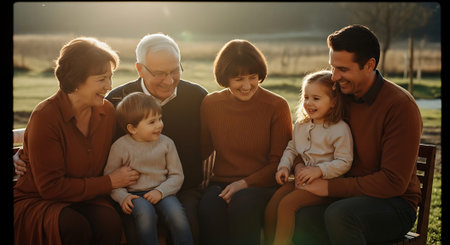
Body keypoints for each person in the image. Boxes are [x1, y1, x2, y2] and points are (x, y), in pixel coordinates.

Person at [292, 24, 422, 244]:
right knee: (301, 215)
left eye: (342, 69)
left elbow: (393, 182)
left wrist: (328, 187)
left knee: (341, 215)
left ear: (369, 65)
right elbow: (306, 135)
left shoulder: (400, 106)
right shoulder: (338, 96)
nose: (334, 76)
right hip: (345, 193)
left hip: (393, 204)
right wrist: (299, 167)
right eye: (333, 67)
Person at [13, 37, 140, 245]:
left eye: (110, 77)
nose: (109, 86)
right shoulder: (45, 116)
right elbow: (51, 188)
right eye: (101, 79)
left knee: (109, 222)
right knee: (74, 227)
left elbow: (134, 140)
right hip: (39, 200)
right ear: (76, 80)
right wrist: (109, 182)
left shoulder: (107, 111)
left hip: (86, 197)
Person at [105, 33, 207, 245]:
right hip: (133, 192)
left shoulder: (198, 97)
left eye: (175, 71)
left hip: (185, 186)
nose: (169, 80)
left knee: (192, 225)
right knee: (133, 230)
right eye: (160, 73)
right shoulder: (117, 101)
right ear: (140, 69)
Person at [198, 39, 293, 245]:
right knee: (208, 206)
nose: (247, 85)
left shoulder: (277, 106)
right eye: (239, 79)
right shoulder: (211, 104)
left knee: (243, 203)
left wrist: (244, 183)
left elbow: (279, 162)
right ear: (225, 78)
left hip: (263, 184)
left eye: (253, 77)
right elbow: (202, 151)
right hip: (222, 182)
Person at [264, 70, 353, 245]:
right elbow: (292, 149)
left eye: (316, 98)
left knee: (287, 205)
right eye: (306, 97)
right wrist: (284, 167)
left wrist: (319, 171)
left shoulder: (339, 129)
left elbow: (344, 162)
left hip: (326, 185)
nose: (309, 103)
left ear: (334, 102)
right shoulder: (301, 125)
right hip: (301, 180)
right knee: (273, 203)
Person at [104, 92, 193, 245]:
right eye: (152, 122)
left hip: (163, 191)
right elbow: (110, 178)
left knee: (176, 214)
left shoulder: (166, 143)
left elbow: (177, 175)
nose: (159, 125)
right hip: (135, 195)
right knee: (145, 214)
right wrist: (122, 197)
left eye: (160, 118)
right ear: (132, 128)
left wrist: (160, 191)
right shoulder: (120, 147)